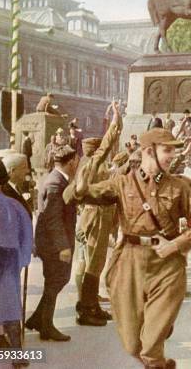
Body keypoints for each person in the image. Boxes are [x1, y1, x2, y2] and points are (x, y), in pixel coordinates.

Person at [67, 128, 191, 369]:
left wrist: (175, 244)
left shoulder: (180, 187)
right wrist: (79, 188)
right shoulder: (122, 183)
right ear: (149, 151)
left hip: (167, 265)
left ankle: (156, 351)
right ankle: (159, 359)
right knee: (132, 345)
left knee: (150, 346)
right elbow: (80, 195)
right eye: (167, 150)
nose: (172, 155)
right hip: (130, 261)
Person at [67, 102, 122, 326]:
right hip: (96, 215)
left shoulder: (87, 164)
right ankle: (86, 309)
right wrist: (116, 120)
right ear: (95, 150)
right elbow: (109, 143)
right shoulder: (91, 164)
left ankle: (91, 305)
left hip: (98, 215)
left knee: (96, 263)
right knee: (93, 264)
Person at [25, 145, 80, 342]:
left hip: (52, 242)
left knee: (57, 280)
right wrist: (63, 246)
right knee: (55, 281)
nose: (78, 164)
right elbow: (52, 219)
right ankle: (45, 326)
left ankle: (38, 319)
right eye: (77, 161)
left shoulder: (56, 179)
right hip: (53, 245)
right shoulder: (56, 184)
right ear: (71, 162)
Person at [0, 158, 32, 367]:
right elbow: (27, 240)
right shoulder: (15, 206)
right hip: (5, 266)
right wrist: (19, 263)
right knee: (10, 308)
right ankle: (17, 355)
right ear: (4, 180)